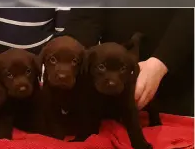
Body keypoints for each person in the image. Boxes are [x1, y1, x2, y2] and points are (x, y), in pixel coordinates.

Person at [64, 8, 194, 116]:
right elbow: (85, 19)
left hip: (179, 91)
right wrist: (70, 58)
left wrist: (161, 62)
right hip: (113, 91)